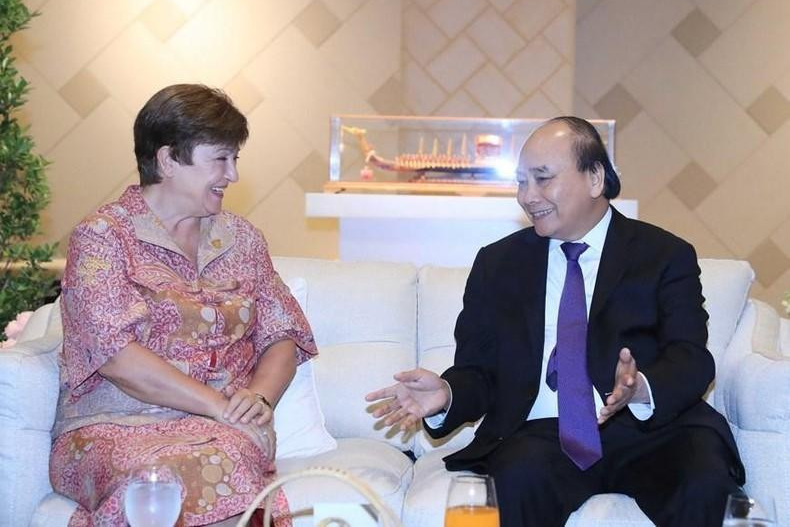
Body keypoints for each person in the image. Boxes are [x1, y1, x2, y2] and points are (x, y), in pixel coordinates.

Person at [366, 116, 744, 527]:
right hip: (544, 435)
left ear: (595, 178)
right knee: (514, 477)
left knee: (703, 480)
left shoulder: (664, 254)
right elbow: (479, 372)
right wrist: (448, 393)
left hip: (654, 433)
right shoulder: (498, 264)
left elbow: (691, 357)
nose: (528, 196)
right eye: (521, 182)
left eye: (542, 179)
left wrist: (641, 390)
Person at [50, 84, 317, 527]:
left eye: (235, 159)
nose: (232, 175)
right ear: (168, 159)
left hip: (222, 431)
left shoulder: (242, 239)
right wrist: (218, 404)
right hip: (114, 427)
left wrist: (258, 399)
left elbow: (282, 334)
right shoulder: (103, 238)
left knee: (227, 456)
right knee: (156, 479)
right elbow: (116, 357)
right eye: (220, 159)